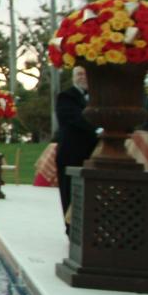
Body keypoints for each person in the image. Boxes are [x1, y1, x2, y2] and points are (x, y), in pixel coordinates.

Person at [55, 65, 97, 228]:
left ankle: (86, 229)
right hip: (70, 154)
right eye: (79, 74)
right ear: (73, 78)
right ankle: (70, 229)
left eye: (86, 74)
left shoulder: (95, 97)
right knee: (69, 193)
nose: (83, 77)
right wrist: (98, 128)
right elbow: (75, 119)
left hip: (90, 155)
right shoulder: (66, 97)